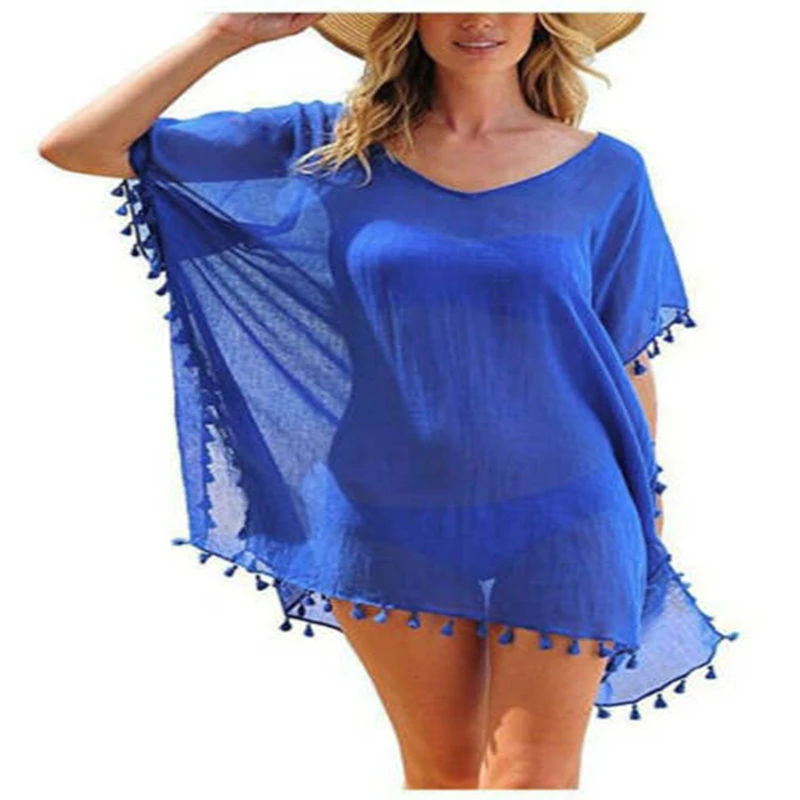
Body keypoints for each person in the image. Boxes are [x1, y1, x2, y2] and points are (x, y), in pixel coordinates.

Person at [38, 11, 739, 790]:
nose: (479, 18)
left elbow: (625, 357)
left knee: (533, 777)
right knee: (442, 774)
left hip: (569, 511)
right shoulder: (330, 147)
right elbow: (80, 147)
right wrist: (228, 34)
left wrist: (647, 508)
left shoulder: (608, 173)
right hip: (389, 514)